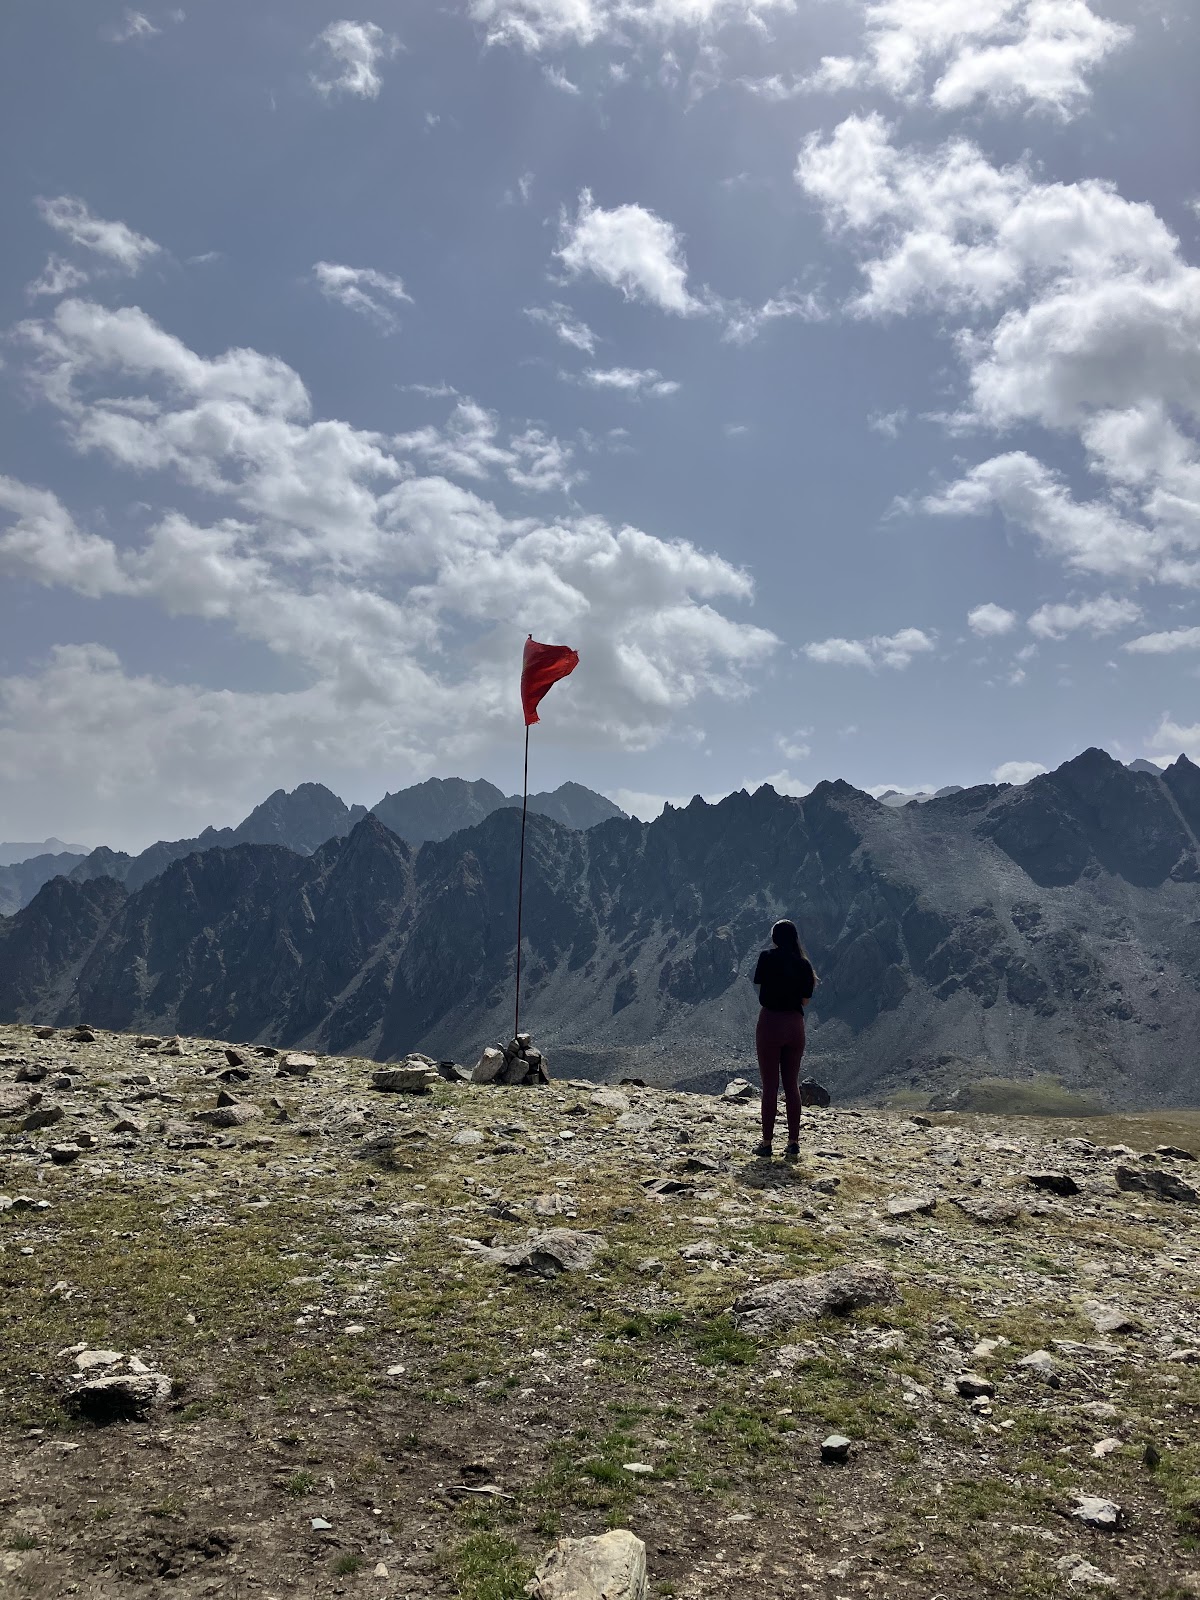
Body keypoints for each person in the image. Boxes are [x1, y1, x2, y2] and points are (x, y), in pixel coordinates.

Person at [751, 919, 816, 1159]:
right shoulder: (804, 965)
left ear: (775, 937)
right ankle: (793, 1142)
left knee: (770, 1085)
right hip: (794, 1025)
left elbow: (759, 984)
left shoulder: (766, 957)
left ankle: (767, 1143)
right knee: (791, 1084)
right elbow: (805, 1000)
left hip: (770, 1022)